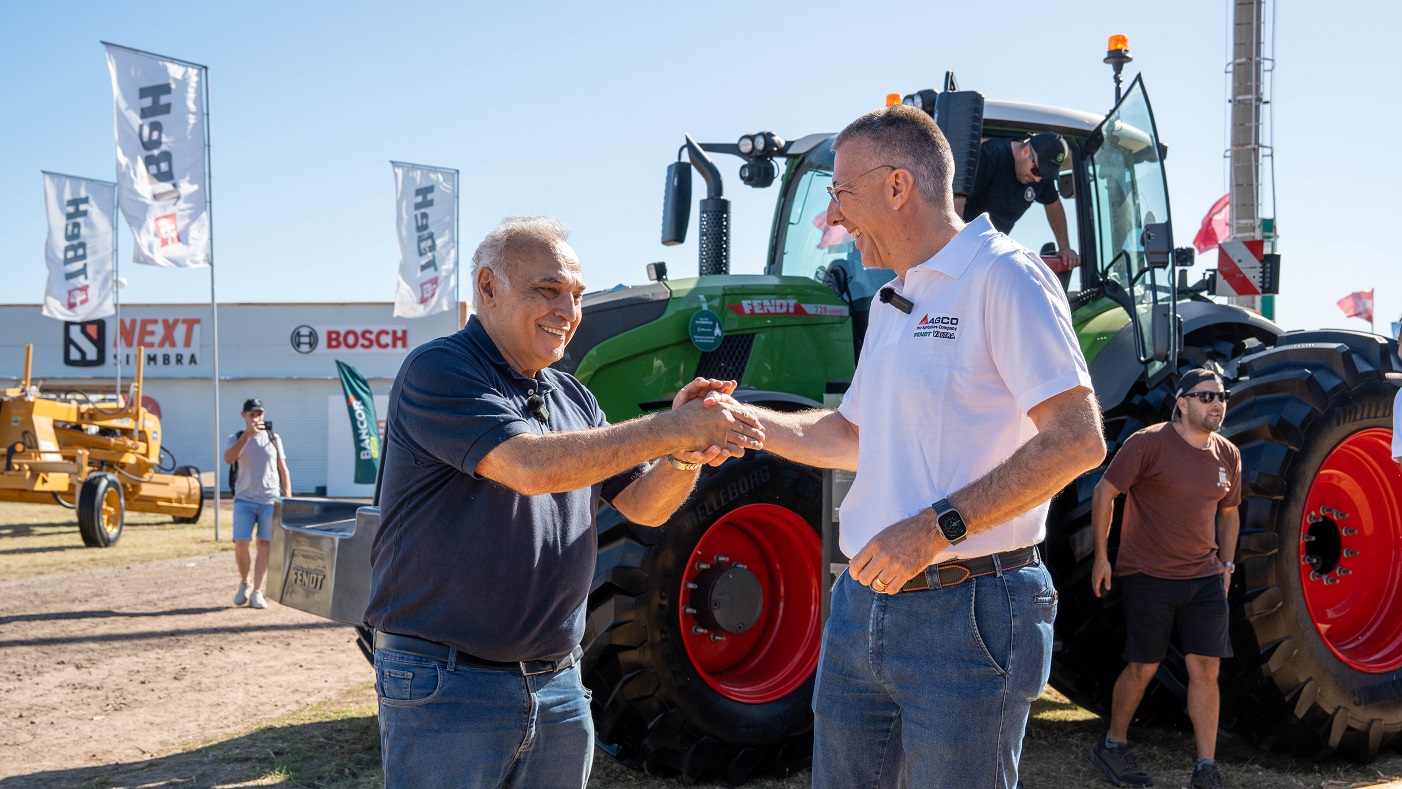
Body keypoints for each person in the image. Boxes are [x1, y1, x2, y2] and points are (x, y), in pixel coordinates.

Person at [752, 104, 1106, 788]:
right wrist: (741, 422)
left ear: (897, 187)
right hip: (862, 606)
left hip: (968, 610)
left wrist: (936, 526)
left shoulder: (1005, 276)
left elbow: (1077, 439)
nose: (834, 215)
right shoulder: (892, 299)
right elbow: (851, 435)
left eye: (840, 193)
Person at [363, 216, 766, 789]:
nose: (568, 311)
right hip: (448, 683)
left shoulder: (571, 394)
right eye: (547, 290)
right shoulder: (441, 369)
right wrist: (671, 427)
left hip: (558, 686)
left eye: (575, 295)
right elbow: (530, 467)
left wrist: (685, 456)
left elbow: (645, 508)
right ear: (487, 288)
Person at [1088, 368, 1242, 789]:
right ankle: (1113, 745)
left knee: (1206, 669)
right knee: (1143, 666)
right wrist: (1102, 558)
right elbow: (1105, 492)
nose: (1217, 403)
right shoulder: (1148, 443)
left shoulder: (1228, 453)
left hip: (1206, 577)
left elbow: (1229, 512)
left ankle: (1206, 767)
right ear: (1182, 402)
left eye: (1222, 395)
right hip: (1149, 575)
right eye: (1206, 396)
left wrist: (1227, 566)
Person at [955, 132, 1080, 270]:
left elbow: (1053, 204)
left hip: (990, 253)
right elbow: (957, 198)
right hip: (964, 246)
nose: (1038, 179)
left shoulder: (1040, 174)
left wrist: (1065, 247)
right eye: (1037, 171)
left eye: (1044, 175)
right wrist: (957, 242)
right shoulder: (991, 155)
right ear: (1026, 151)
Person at [223, 397, 290, 610]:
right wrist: (247, 436)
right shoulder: (235, 437)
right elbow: (228, 458)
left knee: (264, 545)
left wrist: (286, 497)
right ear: (243, 416)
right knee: (241, 544)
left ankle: (258, 591)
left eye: (259, 413)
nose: (256, 417)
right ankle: (245, 582)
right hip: (244, 499)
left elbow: (282, 469)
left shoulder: (273, 437)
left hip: (269, 499)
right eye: (252, 414)